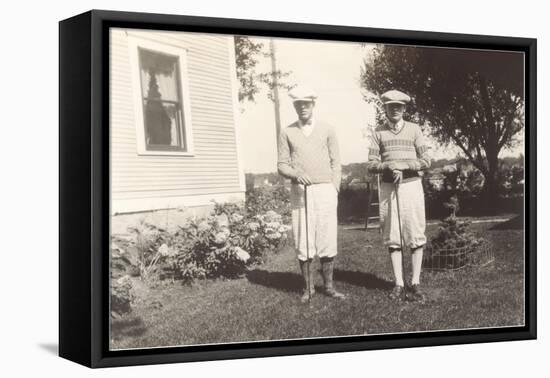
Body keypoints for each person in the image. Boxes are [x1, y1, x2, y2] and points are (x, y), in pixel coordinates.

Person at [278, 85, 345, 303]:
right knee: (303, 237)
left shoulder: (327, 129)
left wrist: (334, 187)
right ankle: (308, 289)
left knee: (326, 236)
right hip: (300, 192)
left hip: (325, 190)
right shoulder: (287, 131)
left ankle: (329, 286)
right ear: (294, 106)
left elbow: (336, 162)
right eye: (298, 104)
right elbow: (281, 165)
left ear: (313, 105)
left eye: (306, 103)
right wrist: (296, 174)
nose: (302, 107)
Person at [366, 90, 431, 301]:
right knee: (393, 235)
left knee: (415, 233)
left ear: (404, 109)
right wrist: (388, 166)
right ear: (384, 108)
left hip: (411, 185)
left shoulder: (414, 130)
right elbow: (371, 164)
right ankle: (398, 283)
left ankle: (415, 282)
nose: (394, 110)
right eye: (390, 106)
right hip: (388, 188)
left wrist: (404, 166)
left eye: (398, 106)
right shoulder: (378, 132)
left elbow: (426, 160)